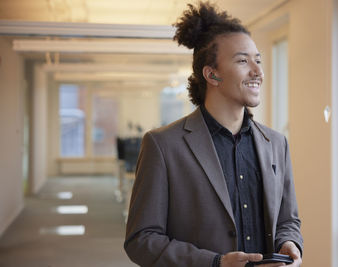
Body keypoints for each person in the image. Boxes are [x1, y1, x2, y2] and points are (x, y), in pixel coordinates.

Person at [124, 2, 303, 266]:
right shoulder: (163, 145)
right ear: (212, 74)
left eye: (258, 60)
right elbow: (141, 239)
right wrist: (215, 263)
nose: (258, 71)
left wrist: (289, 243)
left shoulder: (276, 143)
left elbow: (288, 220)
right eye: (243, 60)